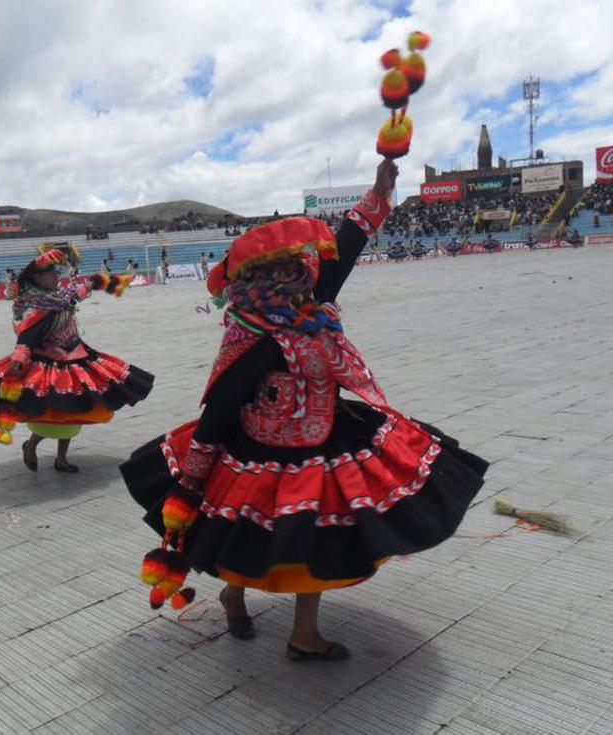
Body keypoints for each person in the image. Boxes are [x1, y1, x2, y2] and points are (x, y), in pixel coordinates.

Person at [121, 160, 487, 660]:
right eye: (289, 269)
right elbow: (221, 407)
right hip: (259, 449)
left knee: (312, 546)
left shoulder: (310, 305)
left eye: (301, 266)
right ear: (262, 278)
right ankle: (233, 595)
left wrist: (378, 195)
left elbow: (348, 246)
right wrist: (192, 479)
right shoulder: (252, 337)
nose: (304, 274)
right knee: (249, 542)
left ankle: (302, 633)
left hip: (324, 438)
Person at [0, 245, 154, 473]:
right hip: (50, 364)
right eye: (51, 273)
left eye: (57, 272)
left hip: (76, 356)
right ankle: (31, 445)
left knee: (74, 413)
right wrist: (18, 361)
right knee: (55, 414)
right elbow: (26, 338)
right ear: (38, 278)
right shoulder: (33, 306)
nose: (56, 276)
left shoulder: (57, 297)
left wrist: (96, 283)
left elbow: (74, 297)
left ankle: (61, 459)